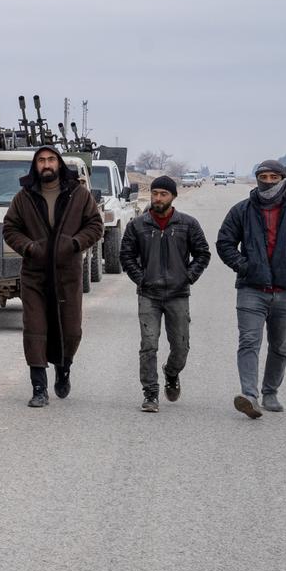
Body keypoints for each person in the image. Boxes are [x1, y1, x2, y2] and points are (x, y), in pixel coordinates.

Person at [216, 159, 286, 418]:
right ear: (257, 179)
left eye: (274, 177)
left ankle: (270, 392)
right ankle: (249, 396)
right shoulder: (241, 210)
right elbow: (225, 242)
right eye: (263, 177)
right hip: (251, 289)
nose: (268, 182)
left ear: (284, 179)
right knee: (249, 342)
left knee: (280, 346)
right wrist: (245, 266)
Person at [2, 146, 105, 407]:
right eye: (41, 160)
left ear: (58, 163)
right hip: (35, 274)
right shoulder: (24, 197)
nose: (46, 164)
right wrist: (28, 247)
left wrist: (74, 243)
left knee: (70, 329)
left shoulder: (78, 194)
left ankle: (64, 368)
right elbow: (10, 228)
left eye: (50, 159)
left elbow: (95, 225)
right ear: (35, 165)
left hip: (67, 273)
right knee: (35, 328)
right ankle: (39, 388)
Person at [118, 176, 212, 413]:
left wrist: (187, 276)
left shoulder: (188, 224)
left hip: (178, 295)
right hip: (148, 295)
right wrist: (141, 278)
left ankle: (171, 372)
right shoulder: (137, 225)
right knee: (148, 345)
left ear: (173, 197)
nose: (158, 198)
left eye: (163, 194)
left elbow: (203, 253)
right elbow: (126, 255)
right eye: (155, 193)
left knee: (181, 347)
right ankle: (150, 393)